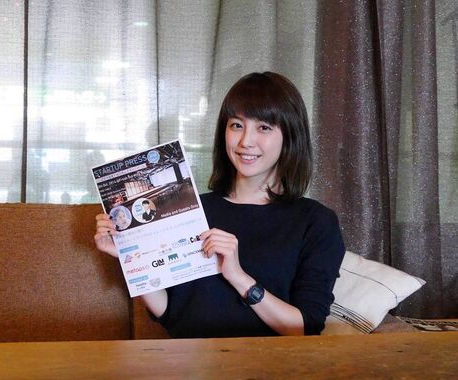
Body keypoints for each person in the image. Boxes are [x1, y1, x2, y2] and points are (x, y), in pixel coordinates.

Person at [95, 71, 345, 338]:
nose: (245, 141)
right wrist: (131, 254)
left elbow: (304, 328)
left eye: (264, 127)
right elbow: (170, 313)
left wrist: (238, 277)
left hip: (268, 361)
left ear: (290, 135)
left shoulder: (316, 222)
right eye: (236, 125)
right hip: (191, 358)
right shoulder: (190, 209)